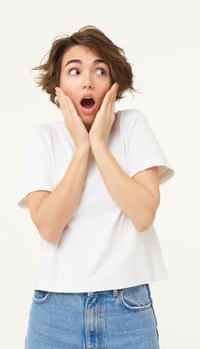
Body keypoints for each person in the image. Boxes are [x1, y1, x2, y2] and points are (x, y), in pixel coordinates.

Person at [18, 25, 174, 349]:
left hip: (127, 311)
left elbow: (143, 214)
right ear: (58, 87)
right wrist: (81, 149)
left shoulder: (132, 127)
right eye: (74, 71)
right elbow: (48, 227)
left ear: (114, 85)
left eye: (99, 71)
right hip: (55, 313)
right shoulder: (42, 140)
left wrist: (99, 145)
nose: (87, 81)